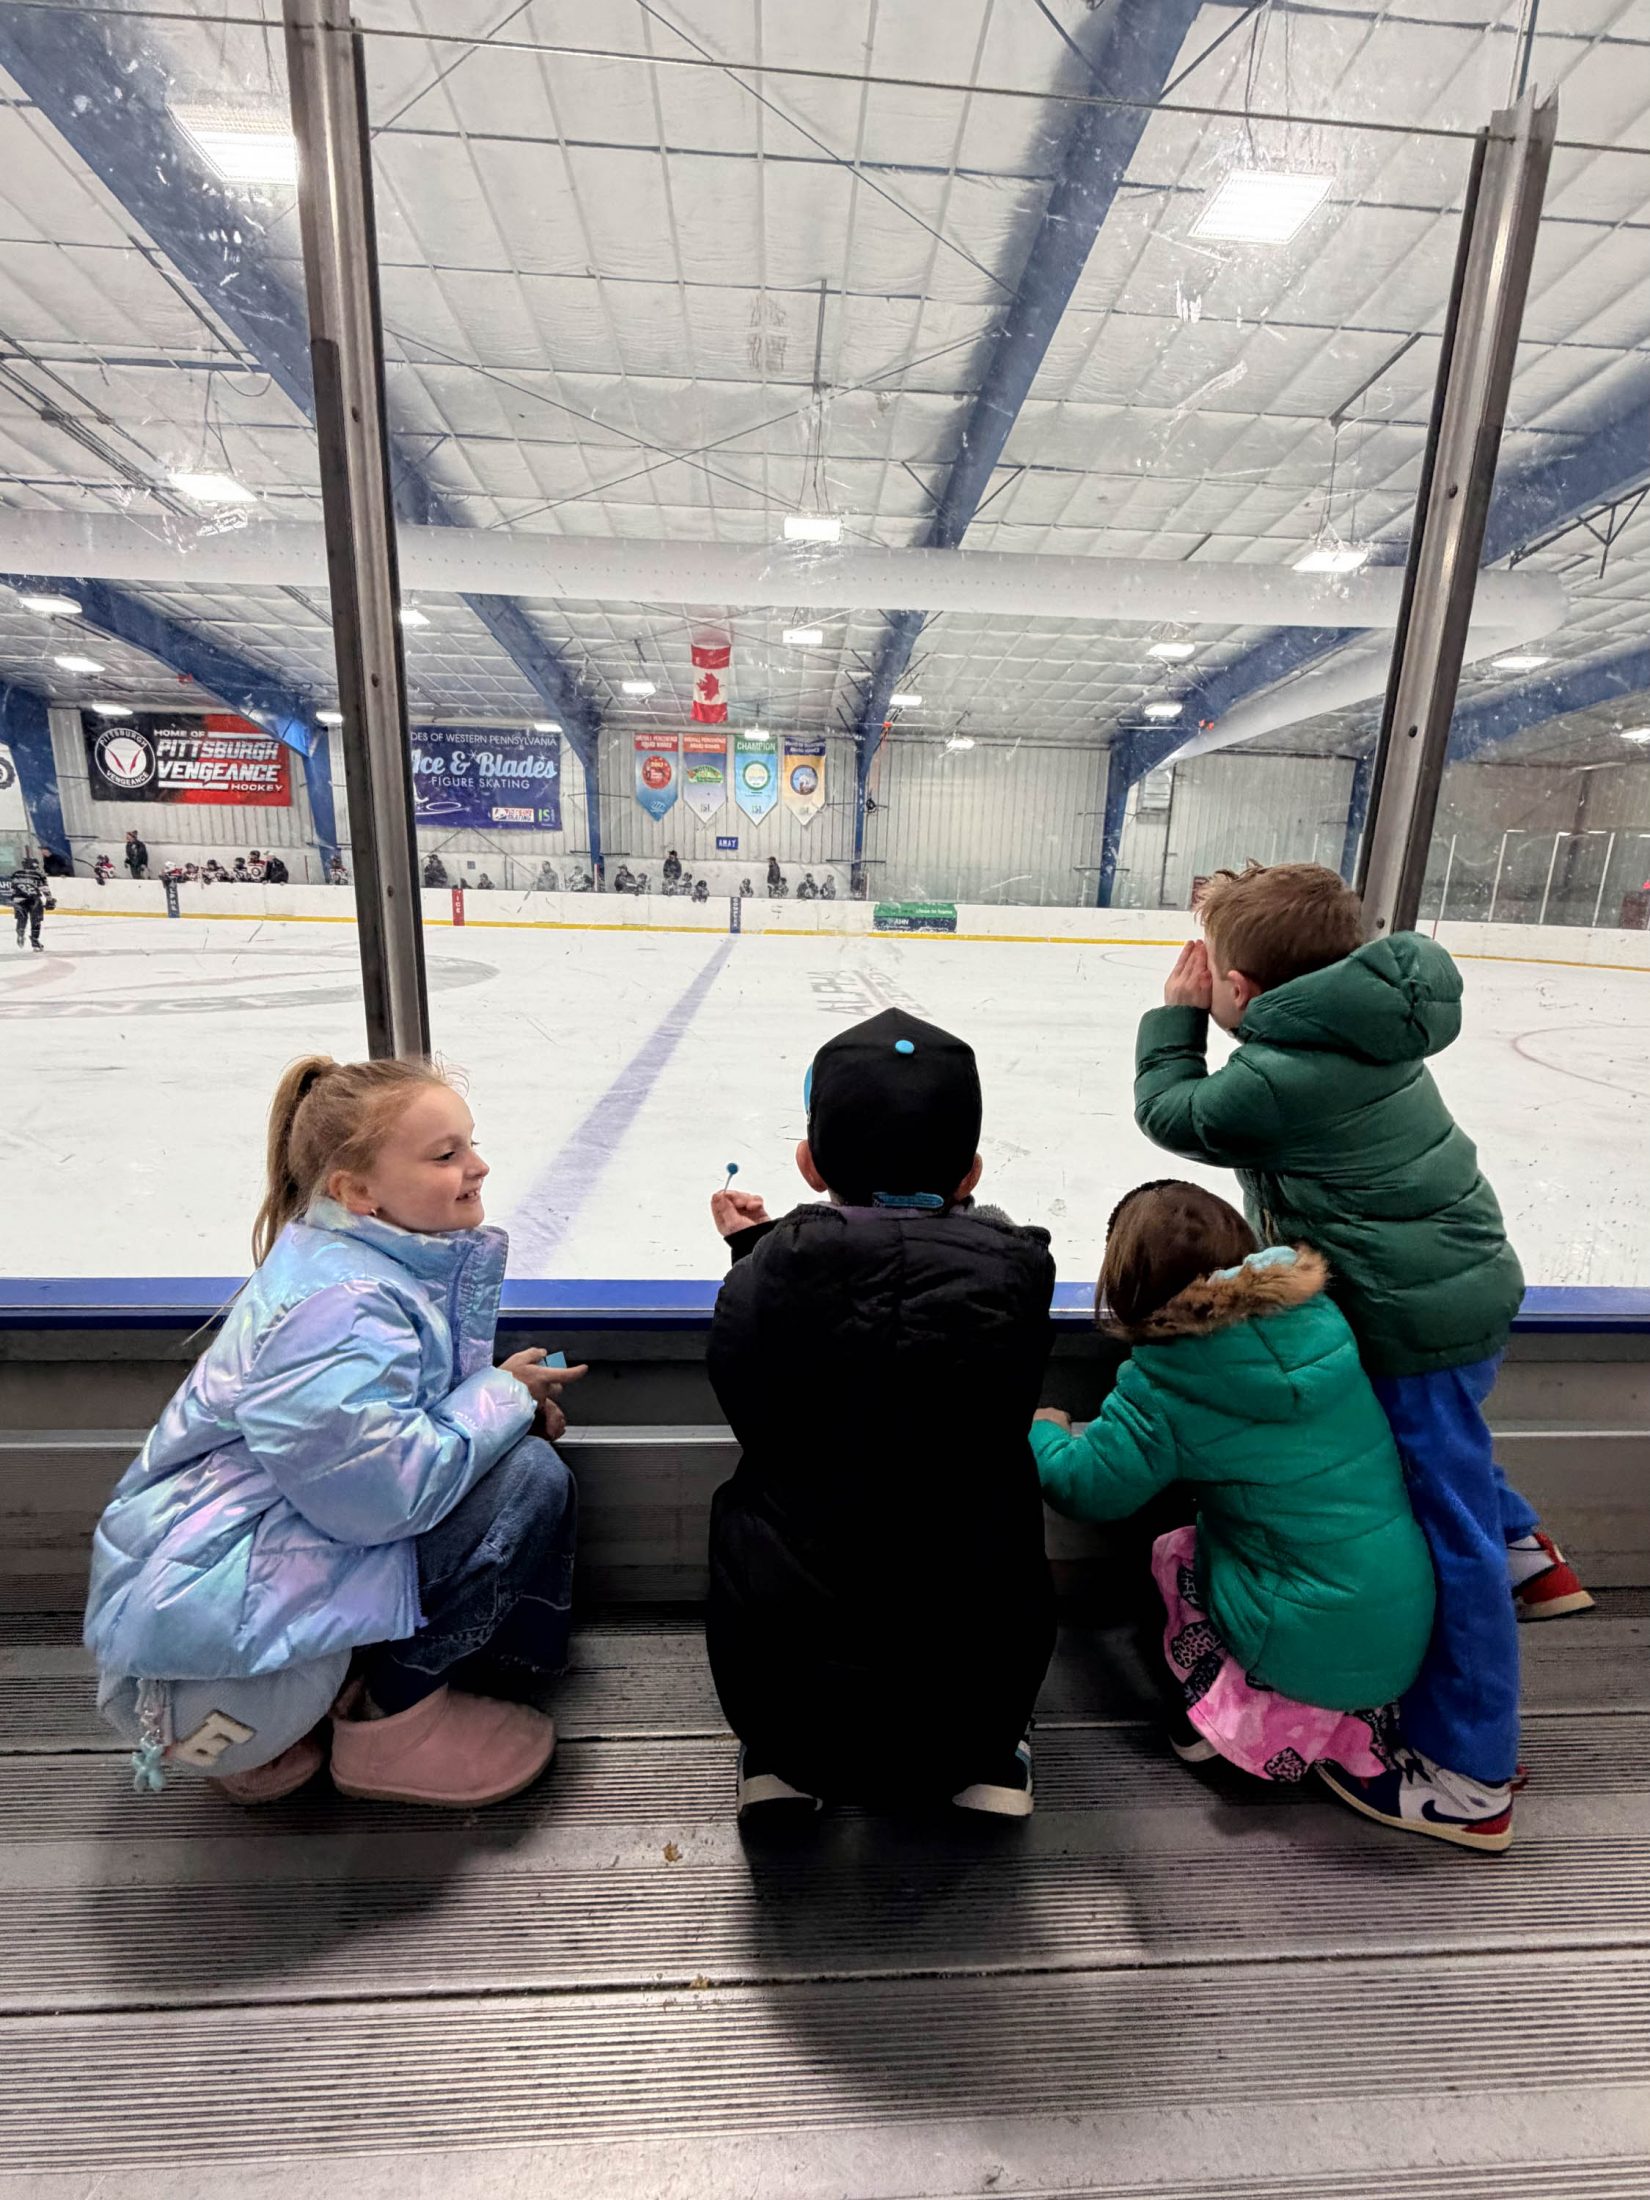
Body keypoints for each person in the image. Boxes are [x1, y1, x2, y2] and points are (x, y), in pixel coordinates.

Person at [1135, 861, 1591, 1853]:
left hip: (1405, 1321)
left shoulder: (1275, 1075)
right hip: (1461, 1282)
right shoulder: (1366, 1024)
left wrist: (1175, 1018)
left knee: (1444, 1529)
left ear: (1239, 988)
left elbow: (1176, 1115)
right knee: (1443, 1456)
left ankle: (1471, 1774)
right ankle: (1527, 1548)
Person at [84, 1055, 586, 1810]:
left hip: (208, 1611)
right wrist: (501, 1399)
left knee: (509, 1453)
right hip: (212, 1674)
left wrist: (502, 1399)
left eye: (471, 1144)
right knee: (528, 1483)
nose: (478, 1166)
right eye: (445, 1155)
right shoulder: (345, 1305)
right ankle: (391, 1726)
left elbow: (367, 1436)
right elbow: (381, 1499)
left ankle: (286, 1722)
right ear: (357, 1192)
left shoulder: (341, 1263)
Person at [705, 1008, 1057, 1823]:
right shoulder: (1016, 1274)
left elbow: (749, 1392)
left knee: (766, 1506)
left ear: (808, 1163)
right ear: (970, 1175)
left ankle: (782, 1764)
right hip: (965, 1707)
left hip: (795, 1703)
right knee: (996, 1511)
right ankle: (991, 1761)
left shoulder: (771, 1275)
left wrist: (756, 1251)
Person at [1031, 1181, 1434, 1789]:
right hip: (1401, 1624)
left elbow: (1087, 1488)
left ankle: (1223, 1719)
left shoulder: (1172, 1382)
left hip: (1305, 1647)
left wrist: (1045, 1431)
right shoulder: (1317, 1319)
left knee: (1172, 1551)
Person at [10, 852, 50, 953]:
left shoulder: (16, 874)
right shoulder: (38, 875)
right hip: (34, 900)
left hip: (18, 900)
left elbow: (12, 889)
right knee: (36, 920)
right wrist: (50, 899)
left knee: (21, 919)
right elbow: (44, 889)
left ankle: (20, 933)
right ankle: (35, 942)